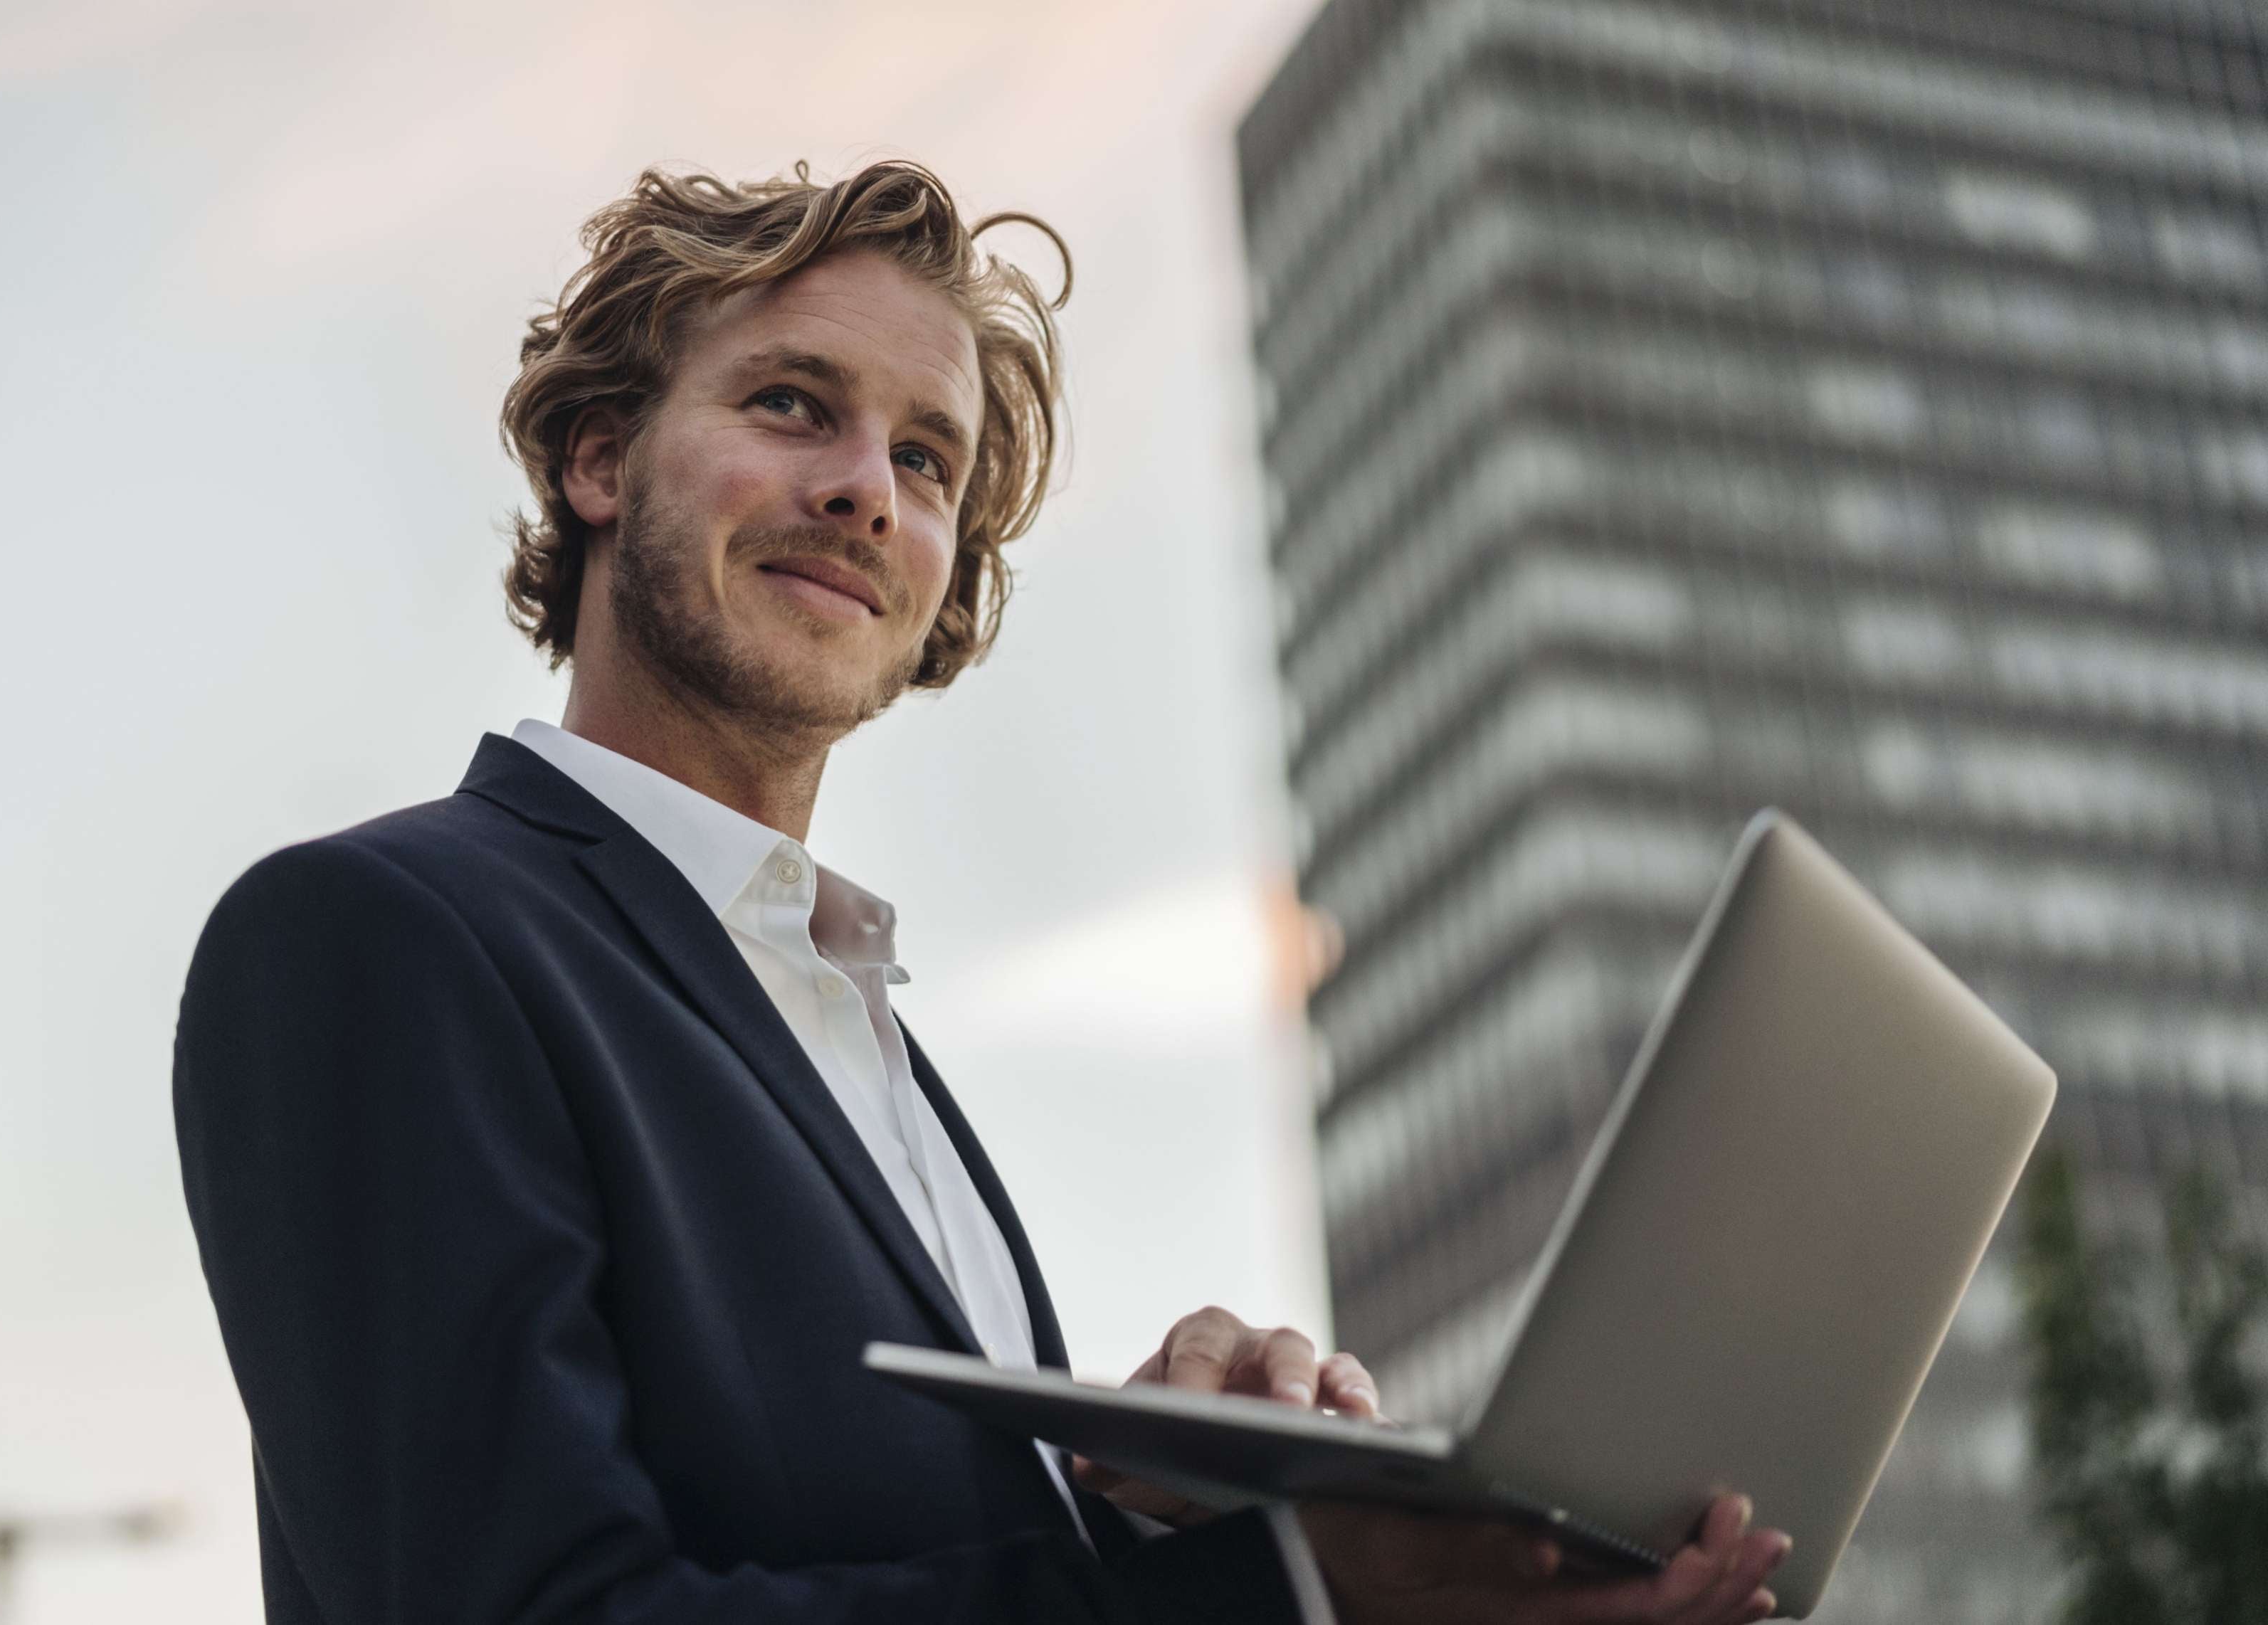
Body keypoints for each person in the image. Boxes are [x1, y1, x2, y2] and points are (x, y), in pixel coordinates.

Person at [172, 160, 1790, 1624]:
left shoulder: (855, 1027)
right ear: (600, 457)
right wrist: (1285, 1589)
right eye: (793, 403)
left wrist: (1162, 1507)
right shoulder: (383, 936)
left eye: (926, 458)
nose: (868, 489)